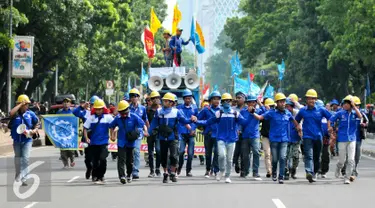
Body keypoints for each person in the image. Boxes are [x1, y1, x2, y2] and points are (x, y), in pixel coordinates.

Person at [251, 93, 302, 184]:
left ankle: (281, 176)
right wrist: (252, 112)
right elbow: (260, 117)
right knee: (274, 159)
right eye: (281, 102)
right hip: (274, 139)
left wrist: (299, 129)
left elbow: (295, 122)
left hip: (284, 140)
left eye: (284, 102)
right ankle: (274, 172)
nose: (283, 104)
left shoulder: (288, 113)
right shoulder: (271, 113)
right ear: (277, 103)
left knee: (283, 157)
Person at [148, 92, 199, 183]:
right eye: (163, 100)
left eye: (166, 101)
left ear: (172, 103)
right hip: (162, 137)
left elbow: (184, 121)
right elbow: (154, 123)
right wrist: (148, 132)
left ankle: (173, 172)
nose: (164, 102)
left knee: (174, 156)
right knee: (163, 156)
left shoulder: (176, 112)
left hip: (173, 137)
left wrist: (192, 119)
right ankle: (165, 173)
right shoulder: (159, 111)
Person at [202, 93, 248, 183]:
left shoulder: (235, 113)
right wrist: (196, 121)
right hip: (221, 138)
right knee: (221, 156)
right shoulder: (219, 113)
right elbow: (208, 121)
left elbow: (244, 122)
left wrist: (251, 114)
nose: (227, 102)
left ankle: (227, 176)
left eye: (228, 101)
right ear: (222, 102)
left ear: (231, 102)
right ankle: (221, 170)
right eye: (224, 101)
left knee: (229, 159)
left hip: (231, 139)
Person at [295, 89, 332, 183]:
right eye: (310, 98)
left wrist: (330, 127)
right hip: (307, 136)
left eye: (313, 99)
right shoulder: (303, 110)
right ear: (306, 99)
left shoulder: (321, 110)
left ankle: (314, 172)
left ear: (316, 100)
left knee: (316, 156)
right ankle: (309, 172)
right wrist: (298, 128)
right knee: (308, 155)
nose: (312, 100)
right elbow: (296, 120)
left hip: (318, 136)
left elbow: (330, 117)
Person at [110, 100, 147, 184]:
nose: (124, 115)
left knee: (130, 161)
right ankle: (122, 176)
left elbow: (143, 124)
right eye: (122, 113)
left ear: (128, 110)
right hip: (121, 142)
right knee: (121, 159)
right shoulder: (118, 118)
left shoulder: (134, 117)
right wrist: (112, 135)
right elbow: (111, 126)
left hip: (131, 142)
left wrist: (145, 131)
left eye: (125, 112)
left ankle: (129, 174)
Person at [328, 95, 362, 184]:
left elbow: (361, 116)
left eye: (348, 104)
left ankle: (347, 177)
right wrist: (330, 128)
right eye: (344, 104)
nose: (345, 105)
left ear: (351, 105)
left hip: (352, 139)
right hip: (342, 139)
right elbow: (330, 120)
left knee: (351, 160)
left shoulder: (355, 113)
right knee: (342, 161)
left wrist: (354, 106)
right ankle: (338, 167)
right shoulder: (340, 113)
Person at [9, 94, 39, 186]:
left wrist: (34, 130)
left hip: (27, 140)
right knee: (18, 158)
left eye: (27, 104)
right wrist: (20, 104)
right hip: (16, 140)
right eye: (25, 104)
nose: (26, 105)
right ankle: (18, 174)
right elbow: (10, 113)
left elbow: (37, 123)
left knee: (25, 159)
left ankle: (24, 178)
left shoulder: (31, 114)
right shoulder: (15, 114)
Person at [83, 99, 114, 185]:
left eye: (100, 109)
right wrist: (86, 138)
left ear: (103, 109)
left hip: (104, 142)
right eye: (97, 109)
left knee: (103, 159)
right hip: (94, 143)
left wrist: (112, 135)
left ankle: (101, 175)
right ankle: (94, 175)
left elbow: (113, 126)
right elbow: (85, 128)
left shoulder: (108, 117)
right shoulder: (91, 118)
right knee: (95, 161)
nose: (98, 111)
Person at [342, 96, 368, 177]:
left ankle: (354, 168)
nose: (355, 106)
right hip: (348, 138)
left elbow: (366, 121)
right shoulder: (346, 113)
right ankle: (346, 169)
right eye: (353, 105)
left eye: (357, 105)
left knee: (357, 156)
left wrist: (364, 124)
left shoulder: (361, 114)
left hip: (358, 139)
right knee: (348, 156)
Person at [240, 93, 264, 180]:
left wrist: (260, 103)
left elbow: (266, 112)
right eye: (249, 102)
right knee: (245, 155)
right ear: (247, 103)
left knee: (256, 152)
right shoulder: (243, 111)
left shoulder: (258, 111)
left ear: (255, 103)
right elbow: (240, 121)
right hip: (245, 136)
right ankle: (246, 171)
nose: (251, 104)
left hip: (255, 135)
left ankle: (255, 171)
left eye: (253, 102)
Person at [73, 95, 98, 180]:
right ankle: (89, 168)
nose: (94, 107)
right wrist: (82, 106)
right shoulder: (85, 113)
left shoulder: (101, 114)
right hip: (86, 137)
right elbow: (75, 113)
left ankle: (95, 174)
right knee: (88, 158)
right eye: (92, 105)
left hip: (97, 138)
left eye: (95, 105)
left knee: (96, 157)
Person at [197, 91, 221, 178]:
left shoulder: (221, 110)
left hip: (218, 134)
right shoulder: (206, 110)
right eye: (214, 99)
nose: (216, 101)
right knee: (208, 153)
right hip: (208, 134)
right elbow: (197, 119)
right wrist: (200, 126)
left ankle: (215, 170)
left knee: (217, 153)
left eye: (218, 99)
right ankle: (207, 169)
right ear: (211, 100)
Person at [128, 88, 149, 180]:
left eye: (136, 96)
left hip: (138, 133)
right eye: (132, 96)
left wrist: (147, 130)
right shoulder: (127, 108)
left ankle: (135, 171)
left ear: (138, 98)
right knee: (129, 153)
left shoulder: (142, 108)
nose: (134, 98)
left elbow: (145, 120)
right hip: (128, 133)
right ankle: (129, 170)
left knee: (136, 151)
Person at [177, 89, 198, 177]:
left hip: (191, 134)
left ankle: (188, 170)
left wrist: (193, 130)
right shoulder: (179, 108)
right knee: (181, 152)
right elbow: (180, 121)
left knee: (190, 154)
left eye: (189, 98)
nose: (188, 100)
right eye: (186, 98)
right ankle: (179, 168)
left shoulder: (195, 108)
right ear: (183, 99)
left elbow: (196, 120)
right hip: (181, 133)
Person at [146, 91, 162, 177]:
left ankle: (158, 169)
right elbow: (145, 121)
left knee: (159, 151)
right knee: (150, 152)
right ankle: (152, 170)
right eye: (153, 98)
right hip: (150, 133)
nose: (155, 100)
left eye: (157, 98)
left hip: (159, 133)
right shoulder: (147, 110)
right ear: (150, 100)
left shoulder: (162, 110)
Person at [285, 98, 301, 180]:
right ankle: (286, 171)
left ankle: (293, 170)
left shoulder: (297, 114)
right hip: (286, 138)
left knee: (296, 156)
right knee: (285, 156)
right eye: (286, 106)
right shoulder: (283, 114)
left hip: (296, 138)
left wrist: (296, 102)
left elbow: (303, 109)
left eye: (289, 106)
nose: (287, 108)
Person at [56, 98, 75, 169]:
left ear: (70, 104)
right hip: (62, 133)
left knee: (70, 148)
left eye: (67, 102)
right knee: (63, 149)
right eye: (64, 102)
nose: (66, 104)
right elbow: (55, 120)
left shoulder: (73, 111)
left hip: (71, 133)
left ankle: (72, 160)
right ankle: (66, 164)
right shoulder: (59, 112)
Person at [260, 98, 276, 178]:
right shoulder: (264, 114)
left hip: (274, 137)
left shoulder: (275, 114)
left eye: (272, 106)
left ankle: (274, 170)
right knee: (267, 154)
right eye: (269, 106)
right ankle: (269, 171)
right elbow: (259, 117)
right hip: (265, 137)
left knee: (274, 155)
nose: (271, 107)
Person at [232, 91, 247, 177]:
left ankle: (243, 170)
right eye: (236, 98)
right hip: (235, 133)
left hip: (245, 134)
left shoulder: (247, 109)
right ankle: (236, 164)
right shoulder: (233, 109)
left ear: (244, 99)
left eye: (239, 98)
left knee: (244, 153)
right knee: (236, 151)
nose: (238, 99)